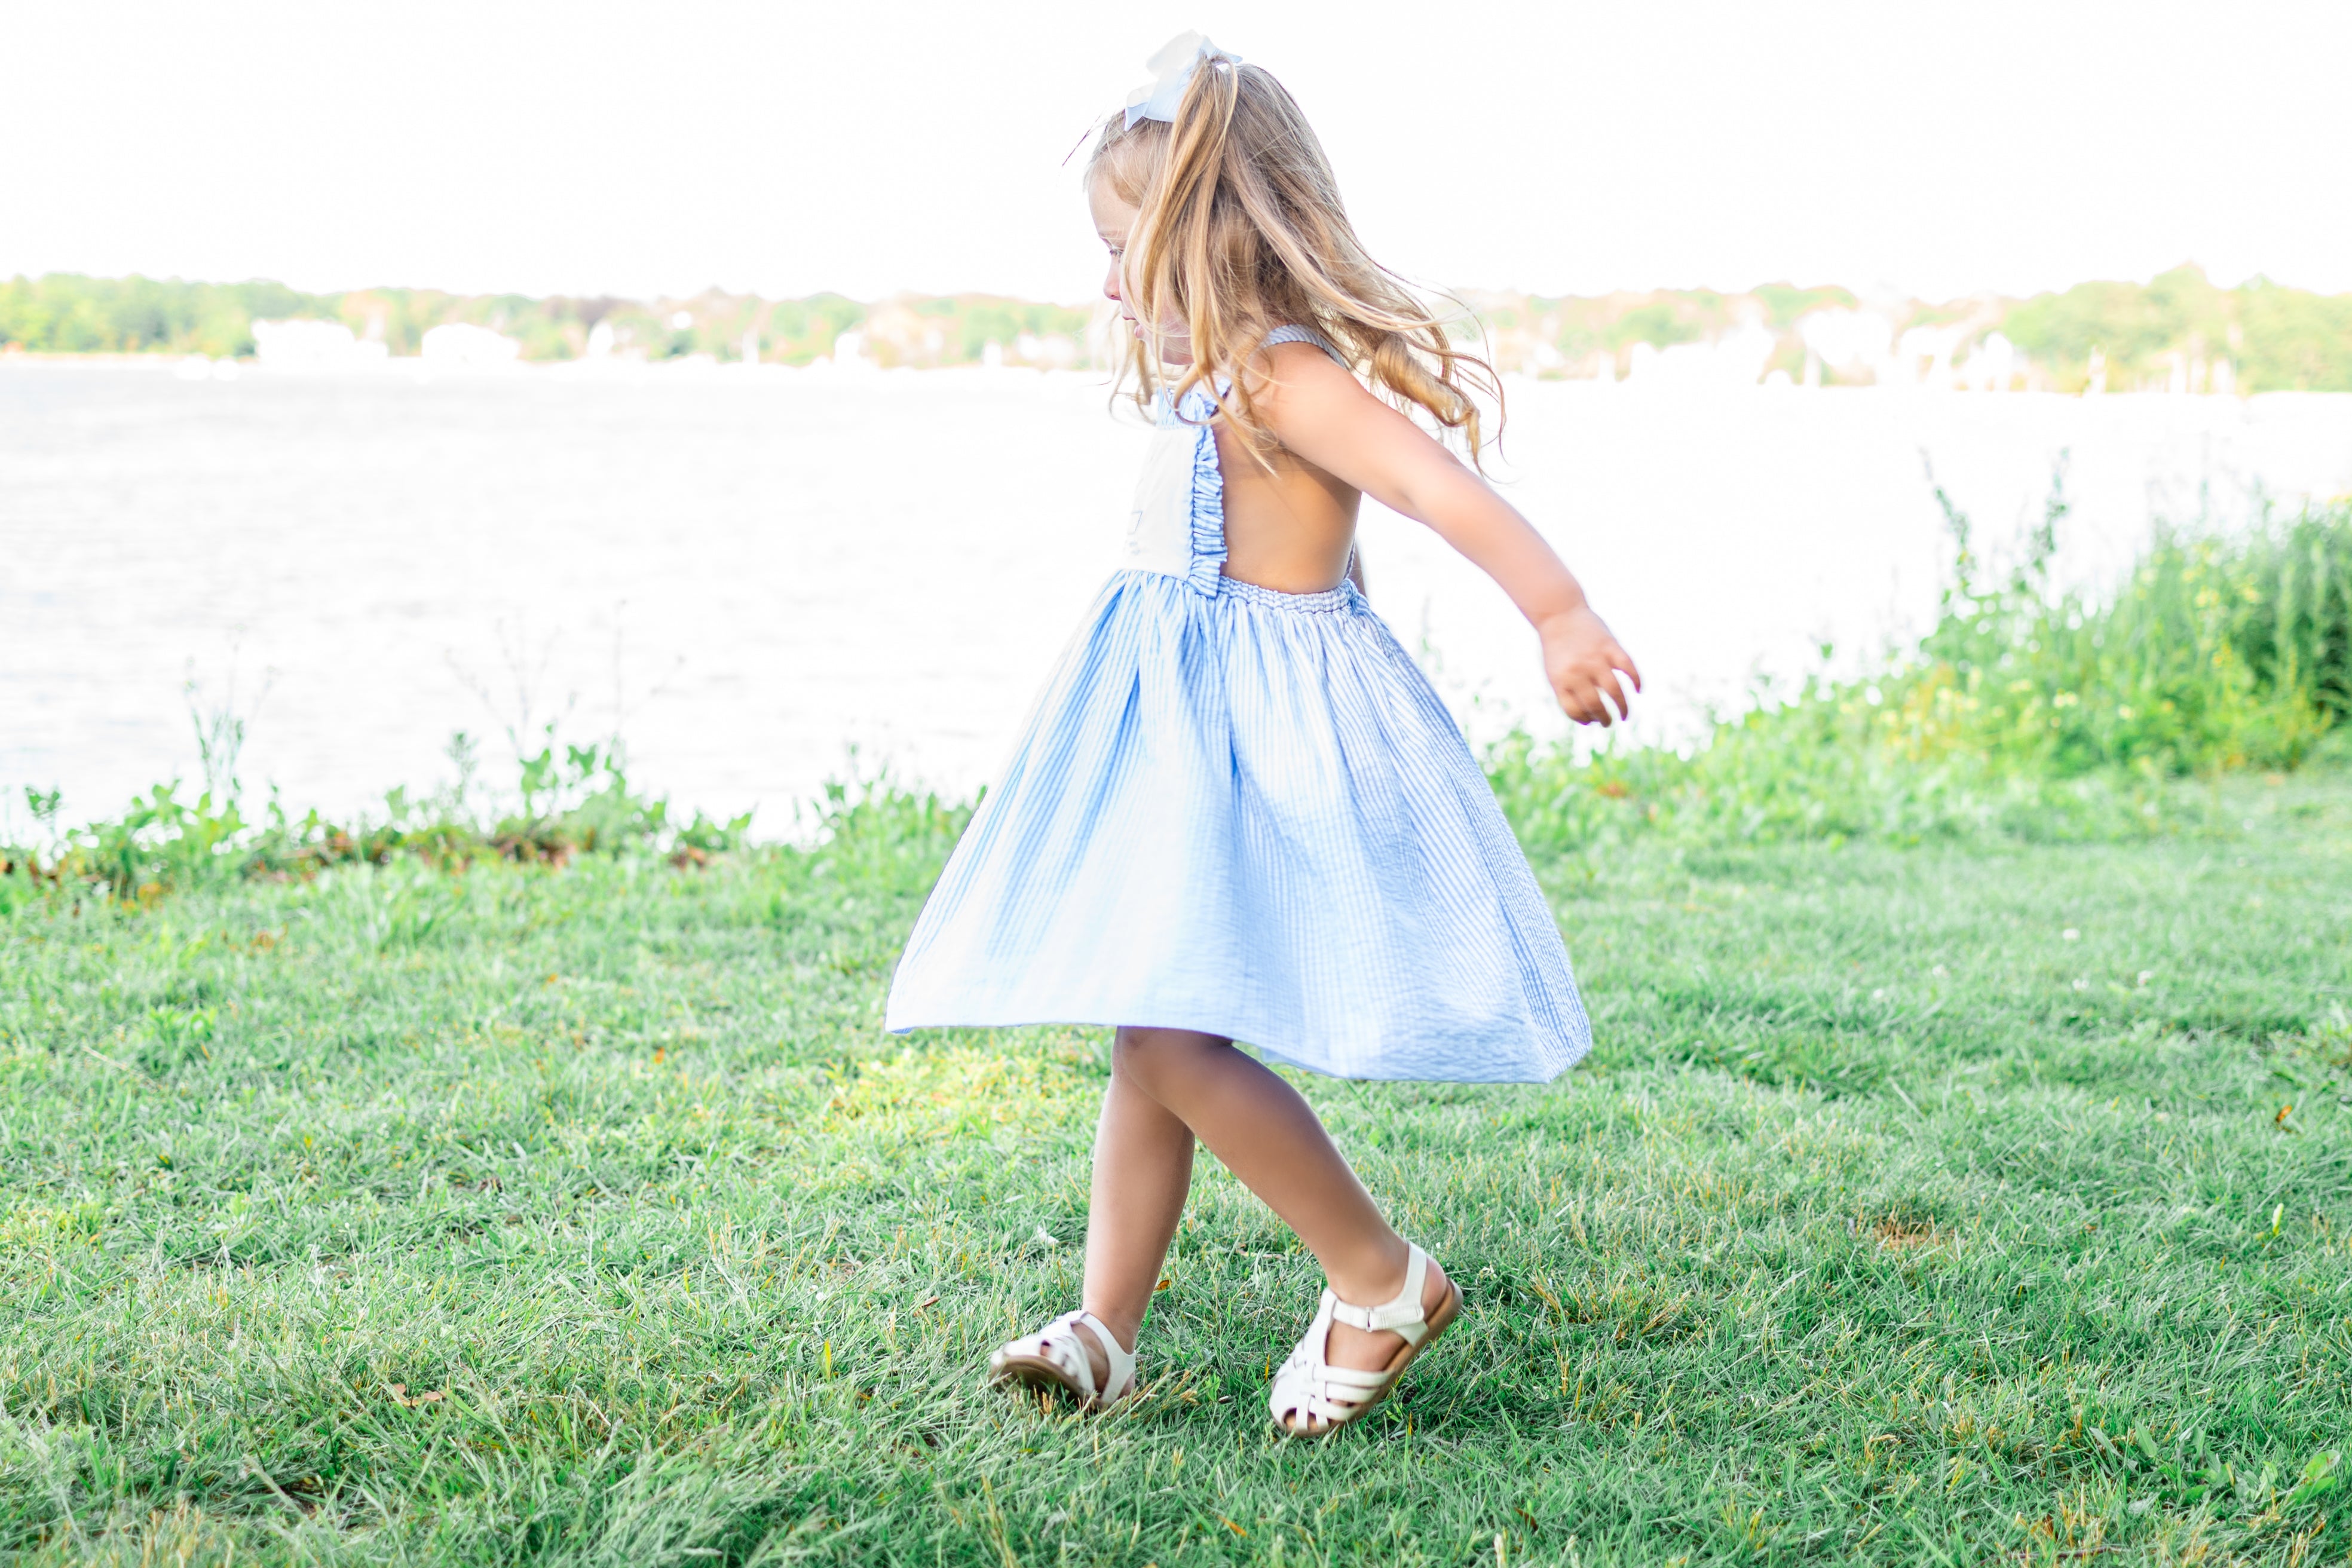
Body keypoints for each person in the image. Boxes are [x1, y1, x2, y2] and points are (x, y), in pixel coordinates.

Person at [884, 33, 1640, 1437]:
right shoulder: (1210, 383)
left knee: (1173, 1042)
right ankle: (1105, 1326)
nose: (1108, 284)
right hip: (1184, 742)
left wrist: (1560, 612)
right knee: (1150, 1023)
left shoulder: (1287, 380)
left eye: (1122, 251)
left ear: (1209, 237)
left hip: (1252, 748)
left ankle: (1378, 1275)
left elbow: (1438, 490)